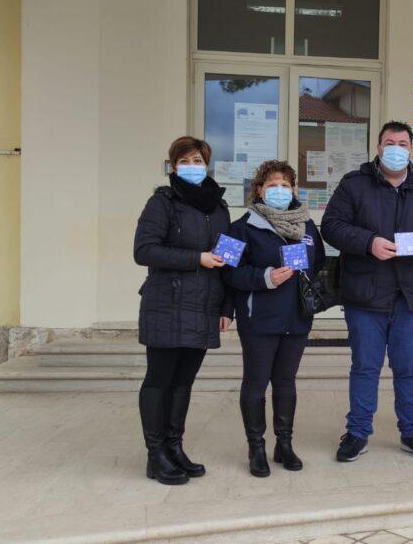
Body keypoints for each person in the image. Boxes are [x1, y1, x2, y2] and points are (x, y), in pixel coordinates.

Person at [321, 120, 413, 462]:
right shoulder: (354, 184)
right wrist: (368, 242)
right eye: (389, 143)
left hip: (412, 296)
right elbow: (331, 226)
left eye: (403, 144)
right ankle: (357, 432)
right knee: (365, 367)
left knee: (410, 367)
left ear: (412, 150)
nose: (396, 149)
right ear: (379, 148)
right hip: (366, 295)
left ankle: (412, 432)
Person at [133, 136, 233, 485]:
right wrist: (196, 258)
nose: (192, 167)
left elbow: (228, 260)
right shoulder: (162, 202)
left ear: (207, 165)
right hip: (167, 303)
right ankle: (155, 454)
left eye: (198, 161)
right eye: (185, 161)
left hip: (204, 306)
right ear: (173, 166)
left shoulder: (219, 208)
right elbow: (144, 250)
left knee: (183, 383)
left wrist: (227, 307)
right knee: (159, 381)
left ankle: (174, 447)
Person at [223, 160, 325, 478]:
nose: (279, 189)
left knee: (286, 382)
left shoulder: (308, 226)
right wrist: (264, 277)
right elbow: (225, 271)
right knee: (256, 383)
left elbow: (319, 263)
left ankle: (284, 444)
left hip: (297, 317)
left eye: (285, 184)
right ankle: (256, 448)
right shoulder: (239, 227)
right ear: (259, 190)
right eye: (272, 184)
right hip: (259, 318)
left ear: (294, 190)